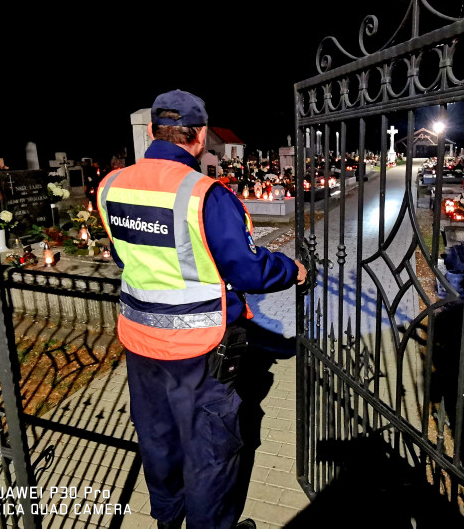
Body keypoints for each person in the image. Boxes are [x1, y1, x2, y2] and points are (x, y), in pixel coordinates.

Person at [97, 89, 307, 529]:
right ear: (201, 136)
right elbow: (247, 270)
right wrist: (292, 270)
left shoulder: (112, 185)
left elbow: (125, 257)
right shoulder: (205, 195)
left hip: (139, 342)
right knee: (209, 450)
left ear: (153, 131)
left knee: (158, 439)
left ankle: (168, 521)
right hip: (200, 349)